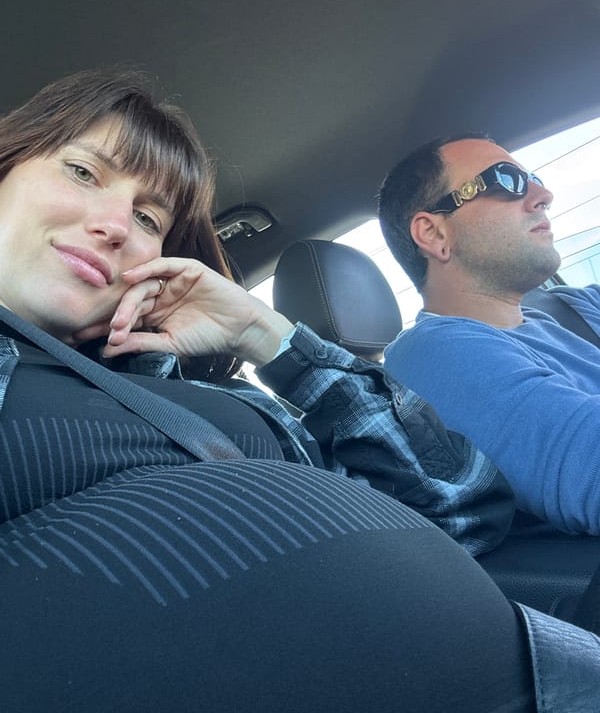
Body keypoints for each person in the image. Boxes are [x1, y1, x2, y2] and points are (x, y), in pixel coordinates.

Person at [0, 74, 597, 712]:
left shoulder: (224, 401)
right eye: (84, 172)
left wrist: (269, 336)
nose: (116, 225)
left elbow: (461, 506)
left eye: (149, 218)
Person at [378, 133, 600, 537]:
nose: (543, 194)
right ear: (434, 234)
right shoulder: (432, 354)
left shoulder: (576, 307)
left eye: (533, 177)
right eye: (506, 180)